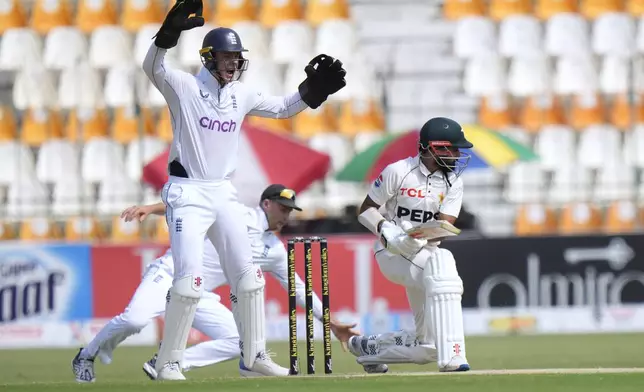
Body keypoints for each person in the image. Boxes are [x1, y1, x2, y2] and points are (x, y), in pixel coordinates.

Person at [142, 0, 346, 380]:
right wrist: (167, 35)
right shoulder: (184, 87)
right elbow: (153, 67)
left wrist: (311, 93)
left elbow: (284, 108)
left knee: (249, 277)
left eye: (237, 58)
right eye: (225, 57)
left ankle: (254, 356)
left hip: (223, 192)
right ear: (207, 58)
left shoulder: (242, 95)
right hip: (187, 192)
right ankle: (169, 361)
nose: (233, 64)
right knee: (188, 282)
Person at [71, 184, 358, 382]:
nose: (286, 216)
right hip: (171, 274)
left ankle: (170, 361)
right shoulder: (238, 214)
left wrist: (329, 322)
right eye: (282, 209)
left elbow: (297, 288)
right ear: (266, 204)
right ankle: (86, 356)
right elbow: (192, 206)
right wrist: (149, 208)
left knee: (240, 343)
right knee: (134, 321)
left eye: (290, 211)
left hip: (198, 295)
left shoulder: (273, 250)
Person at [352, 117, 473, 373]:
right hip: (392, 253)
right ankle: (454, 355)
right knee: (445, 265)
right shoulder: (398, 171)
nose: (457, 154)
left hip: (424, 253)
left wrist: (419, 235)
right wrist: (388, 231)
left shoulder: (454, 183)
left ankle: (370, 349)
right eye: (452, 148)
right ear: (432, 148)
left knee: (428, 346)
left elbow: (444, 227)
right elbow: (365, 210)